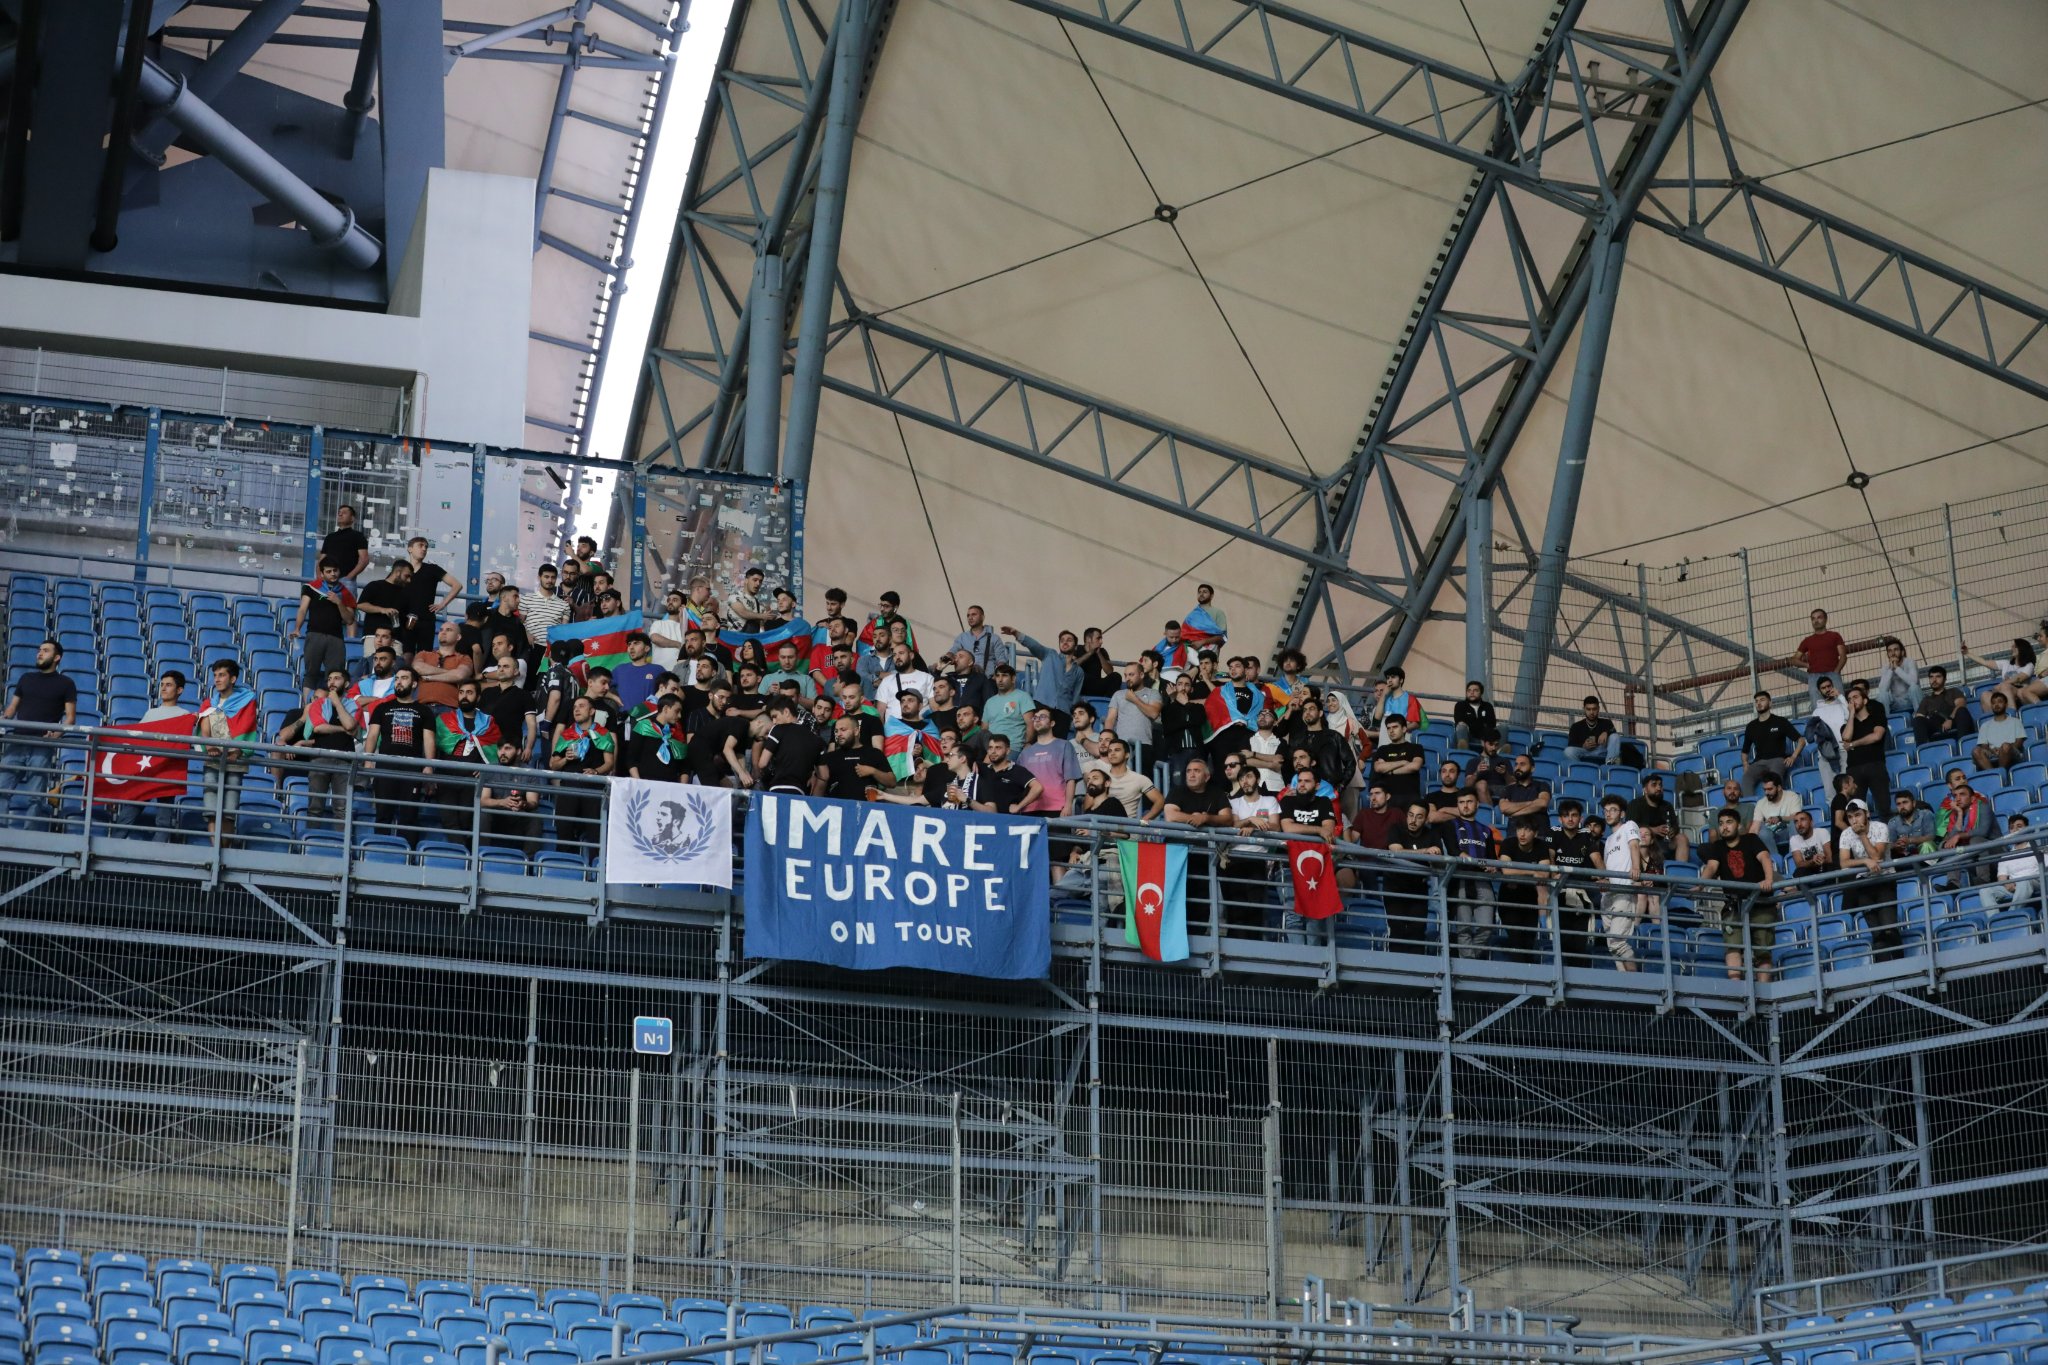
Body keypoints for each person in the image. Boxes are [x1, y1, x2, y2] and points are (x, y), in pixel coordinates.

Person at [0, 639, 78, 828]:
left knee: (35, 796)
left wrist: (57, 735)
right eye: (39, 650)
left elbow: (70, 718)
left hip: (42, 745)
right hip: (17, 740)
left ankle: (29, 834)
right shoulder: (26, 678)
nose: (39, 653)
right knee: (2, 788)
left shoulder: (66, 684)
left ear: (57, 657)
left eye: (45, 650)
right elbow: (11, 710)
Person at [1698, 807, 1777, 982]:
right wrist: (1700, 886)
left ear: (1738, 825)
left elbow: (1765, 858)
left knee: (1763, 950)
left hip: (1760, 902)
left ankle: (1764, 990)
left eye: (1729, 822)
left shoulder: (1751, 839)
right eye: (1721, 824)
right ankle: (1738, 991)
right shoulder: (1717, 847)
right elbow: (1711, 867)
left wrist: (1768, 880)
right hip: (1734, 905)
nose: (1724, 827)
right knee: (1732, 947)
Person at [279, 668, 359, 830]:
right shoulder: (318, 704)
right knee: (315, 807)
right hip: (320, 757)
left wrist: (337, 703)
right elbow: (318, 728)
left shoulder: (353, 705)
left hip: (345, 759)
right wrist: (344, 730)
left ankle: (339, 847)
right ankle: (311, 844)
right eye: (330, 679)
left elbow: (351, 724)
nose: (332, 682)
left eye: (337, 678)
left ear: (347, 683)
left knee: (342, 809)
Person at [363, 666, 436, 842]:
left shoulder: (424, 711)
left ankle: (407, 857)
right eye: (396, 678)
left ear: (414, 684)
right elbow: (372, 735)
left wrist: (429, 766)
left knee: (409, 816)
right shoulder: (382, 708)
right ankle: (380, 852)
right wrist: (368, 760)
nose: (399, 682)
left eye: (404, 678)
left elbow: (429, 740)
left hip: (412, 769)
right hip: (385, 767)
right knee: (383, 814)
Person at [548, 696, 616, 857]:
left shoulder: (603, 734)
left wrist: (596, 771)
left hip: (593, 789)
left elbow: (609, 763)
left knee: (595, 833)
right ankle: (563, 866)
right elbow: (553, 764)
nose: (576, 709)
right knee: (564, 829)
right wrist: (566, 759)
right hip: (569, 787)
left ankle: (594, 870)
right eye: (574, 707)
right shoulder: (567, 734)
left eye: (581, 706)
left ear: (592, 711)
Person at [1383, 800, 1451, 952]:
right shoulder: (1396, 829)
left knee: (1418, 930)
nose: (1413, 820)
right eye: (1411, 815)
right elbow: (1396, 852)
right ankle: (1396, 969)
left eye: (1419, 817)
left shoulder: (1432, 834)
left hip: (1418, 888)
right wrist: (1425, 851)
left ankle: (1418, 971)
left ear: (1426, 819)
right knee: (1397, 928)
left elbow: (1441, 866)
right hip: (1395, 887)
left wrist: (1437, 857)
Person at [1838, 800, 1900, 961]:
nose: (1854, 820)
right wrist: (1864, 862)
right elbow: (1844, 862)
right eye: (1850, 817)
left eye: (1857, 815)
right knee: (1878, 934)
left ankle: (1904, 968)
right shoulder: (1845, 834)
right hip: (1864, 883)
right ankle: (1886, 977)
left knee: (1889, 929)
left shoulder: (1880, 827)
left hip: (1885, 879)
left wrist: (1862, 835)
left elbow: (1877, 856)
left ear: (1867, 814)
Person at [293, 561, 358, 702]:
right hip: (314, 635)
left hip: (336, 639)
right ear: (322, 573)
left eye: (335, 570)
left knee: (335, 675)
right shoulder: (311, 587)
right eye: (328, 571)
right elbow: (303, 609)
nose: (333, 574)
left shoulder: (345, 593)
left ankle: (332, 706)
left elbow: (349, 620)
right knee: (311, 673)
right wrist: (297, 628)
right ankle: (308, 707)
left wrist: (339, 602)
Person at [1445, 788, 1497, 957]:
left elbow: (1492, 859)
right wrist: (1467, 858)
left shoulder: (1486, 830)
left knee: (1487, 927)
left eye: (1469, 802)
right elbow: (1454, 850)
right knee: (1463, 928)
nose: (1465, 806)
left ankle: (1469, 960)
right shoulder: (1450, 825)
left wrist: (1492, 866)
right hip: (1460, 880)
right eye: (1461, 802)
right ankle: (1469, 965)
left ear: (1477, 804)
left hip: (1483, 881)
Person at [1599, 794, 1646, 971]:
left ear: (1622, 813)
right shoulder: (1608, 840)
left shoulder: (1629, 826)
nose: (1609, 814)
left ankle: (1635, 980)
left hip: (1624, 890)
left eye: (1613, 810)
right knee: (1612, 944)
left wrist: (1636, 868)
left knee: (1618, 943)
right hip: (1607, 895)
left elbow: (1634, 846)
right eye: (1606, 811)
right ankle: (1624, 980)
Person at [1548, 799, 1601, 957]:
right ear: (1560, 819)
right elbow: (1550, 856)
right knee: (1562, 940)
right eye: (1566, 816)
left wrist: (1605, 876)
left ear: (1580, 818)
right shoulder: (1554, 832)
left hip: (1581, 892)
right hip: (1559, 892)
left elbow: (1597, 858)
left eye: (1574, 815)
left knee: (1579, 942)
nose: (1570, 819)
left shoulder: (1586, 835)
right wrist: (1552, 873)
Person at [1494, 820, 1551, 962]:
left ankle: (1528, 978)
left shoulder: (1542, 846)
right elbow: (1506, 871)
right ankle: (1518, 979)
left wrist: (1520, 872)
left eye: (1527, 830)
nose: (1522, 834)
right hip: (1509, 899)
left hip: (1530, 900)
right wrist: (1532, 871)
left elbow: (1544, 874)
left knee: (1528, 941)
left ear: (1536, 833)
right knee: (1516, 939)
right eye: (1519, 829)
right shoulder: (1508, 843)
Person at [399, 536, 463, 653]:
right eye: (420, 546)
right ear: (410, 549)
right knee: (406, 653)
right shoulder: (400, 570)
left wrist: (443, 604)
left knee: (424, 655)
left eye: (426, 547)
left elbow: (457, 585)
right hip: (406, 619)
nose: (424, 549)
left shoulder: (432, 569)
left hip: (426, 620)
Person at [1016, 707, 1081, 818]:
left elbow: (1070, 779)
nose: (1037, 720)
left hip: (1056, 807)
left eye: (1042, 717)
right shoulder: (1025, 753)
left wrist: (1068, 805)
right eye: (1035, 717)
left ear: (1052, 723)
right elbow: (1019, 783)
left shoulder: (1064, 745)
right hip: (1029, 808)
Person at [480, 742, 544, 853]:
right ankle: (481, 856)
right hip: (497, 817)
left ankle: (528, 864)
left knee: (536, 818)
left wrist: (523, 804)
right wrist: (502, 802)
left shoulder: (529, 772)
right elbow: (483, 800)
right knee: (483, 814)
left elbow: (533, 802)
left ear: (518, 751)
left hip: (518, 818)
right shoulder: (489, 769)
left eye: (507, 748)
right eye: (500, 749)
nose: (502, 753)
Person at [755, 696, 826, 795]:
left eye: (775, 716)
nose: (774, 722)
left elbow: (762, 763)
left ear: (786, 712)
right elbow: (824, 775)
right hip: (800, 793)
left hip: (778, 788)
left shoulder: (777, 729)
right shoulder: (817, 740)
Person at [1740, 691, 1805, 796]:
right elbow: (1744, 751)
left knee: (1774, 779)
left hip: (1777, 760)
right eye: (1756, 701)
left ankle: (1775, 804)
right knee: (1746, 778)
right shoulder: (1751, 726)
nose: (1759, 703)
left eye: (1762, 700)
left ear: (1770, 703)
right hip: (1759, 762)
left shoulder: (1780, 721)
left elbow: (1801, 740)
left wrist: (1793, 757)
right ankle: (1751, 807)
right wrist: (1745, 764)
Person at [1106, 663, 1163, 777]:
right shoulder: (1118, 694)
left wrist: (1135, 699)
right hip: (1121, 745)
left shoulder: (1153, 693)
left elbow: (1154, 713)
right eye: (1125, 675)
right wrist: (1108, 740)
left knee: (1143, 782)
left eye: (1131, 675)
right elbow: (1110, 719)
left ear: (1141, 674)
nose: (1127, 678)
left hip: (1144, 745)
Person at [1841, 679, 1891, 809]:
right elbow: (1846, 738)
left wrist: (1853, 744)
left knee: (1883, 805)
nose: (1853, 701)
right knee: (1856, 809)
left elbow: (1877, 736)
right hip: (1854, 770)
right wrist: (1851, 714)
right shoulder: (1846, 726)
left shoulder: (1876, 718)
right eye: (1850, 699)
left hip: (1876, 765)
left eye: (1856, 697)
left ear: (1865, 700)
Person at [627, 694, 691, 783]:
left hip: (670, 789)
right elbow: (632, 759)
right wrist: (639, 783)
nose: (680, 716)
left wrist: (682, 787)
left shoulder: (677, 733)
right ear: (665, 709)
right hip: (645, 785)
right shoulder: (644, 727)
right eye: (677, 711)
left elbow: (684, 766)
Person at [1098, 736, 1164, 820]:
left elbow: (1160, 801)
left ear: (1127, 755)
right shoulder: (1101, 777)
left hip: (1128, 829)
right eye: (1110, 751)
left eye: (1117, 750)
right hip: (1103, 827)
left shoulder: (1140, 779)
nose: (1112, 753)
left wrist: (1143, 821)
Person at [412, 622, 474, 710]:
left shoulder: (464, 658)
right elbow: (418, 668)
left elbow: (460, 675)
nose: (443, 632)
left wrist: (429, 678)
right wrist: (451, 673)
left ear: (458, 637)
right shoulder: (423, 654)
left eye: (448, 630)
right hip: (421, 707)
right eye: (441, 630)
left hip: (449, 708)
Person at [1807, 675, 1850, 799]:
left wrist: (1840, 696)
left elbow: (1849, 715)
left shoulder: (1842, 704)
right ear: (1819, 691)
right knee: (1830, 793)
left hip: (1844, 750)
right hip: (1826, 755)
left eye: (1829, 686)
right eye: (1823, 688)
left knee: (1848, 790)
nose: (1827, 689)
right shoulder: (1816, 712)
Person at [1985, 815, 2041, 910]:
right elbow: (2002, 877)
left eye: (2019, 826)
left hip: (2037, 882)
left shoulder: (2038, 849)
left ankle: (2013, 914)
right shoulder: (2006, 856)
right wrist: (2007, 884)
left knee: (2024, 881)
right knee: (1985, 891)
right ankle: (1995, 921)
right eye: (2011, 828)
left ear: (2026, 829)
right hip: (2014, 886)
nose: (2015, 830)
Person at [1795, 608, 1848, 706]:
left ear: (1826, 619)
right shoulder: (1807, 640)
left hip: (1833, 674)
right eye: (1813, 618)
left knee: (1840, 704)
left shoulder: (1835, 636)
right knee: (1818, 706)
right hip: (1814, 676)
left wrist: (1836, 672)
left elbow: (1843, 657)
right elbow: (1795, 660)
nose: (1816, 620)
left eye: (1819, 617)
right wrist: (1807, 665)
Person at [1970, 638, 2040, 712]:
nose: (2012, 647)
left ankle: (2012, 714)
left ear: (2022, 649)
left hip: (2020, 694)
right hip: (2003, 693)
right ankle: (1994, 720)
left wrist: (2001, 685)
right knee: (1985, 695)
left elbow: (2020, 678)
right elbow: (1985, 662)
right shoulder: (2006, 664)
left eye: (2015, 646)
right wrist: (1967, 653)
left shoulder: (2029, 665)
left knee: (2005, 686)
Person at [1371, 713, 1425, 803]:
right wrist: (1403, 762)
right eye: (1388, 728)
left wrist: (1389, 771)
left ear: (1404, 729)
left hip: (1410, 798)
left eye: (1395, 727)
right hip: (1387, 799)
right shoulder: (1382, 749)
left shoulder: (1416, 747)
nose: (1391, 731)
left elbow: (1415, 766)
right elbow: (1378, 768)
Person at [1973, 689, 2028, 770]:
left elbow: (2019, 743)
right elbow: (1984, 746)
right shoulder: (1985, 726)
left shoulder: (2015, 721)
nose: (1996, 705)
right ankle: (1993, 775)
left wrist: (2003, 749)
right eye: (1993, 703)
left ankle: (2001, 772)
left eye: (1999, 702)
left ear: (2006, 704)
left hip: (2012, 751)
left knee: (2005, 746)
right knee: (1976, 751)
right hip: (1992, 753)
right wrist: (1991, 750)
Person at [1497, 754, 1552, 832]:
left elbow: (1542, 803)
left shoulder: (1542, 785)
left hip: (1539, 835)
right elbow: (1504, 808)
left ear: (1532, 768)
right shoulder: (1508, 789)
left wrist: (1515, 813)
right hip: (1514, 835)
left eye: (1522, 764)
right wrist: (1533, 803)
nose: (1518, 767)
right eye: (1516, 764)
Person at [319, 503, 371, 584]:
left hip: (346, 582)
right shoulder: (330, 537)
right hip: (327, 581)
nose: (340, 514)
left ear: (352, 518)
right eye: (339, 512)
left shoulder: (358, 536)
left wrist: (348, 578)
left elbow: (364, 560)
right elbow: (321, 561)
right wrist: (320, 579)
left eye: (344, 512)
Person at [1564, 696, 1622, 767]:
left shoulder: (1606, 723)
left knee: (1614, 736)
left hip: (1602, 751)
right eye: (1588, 709)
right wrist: (1583, 745)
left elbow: (1614, 734)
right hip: (1585, 751)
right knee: (1568, 751)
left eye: (1594, 709)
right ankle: (1580, 769)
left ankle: (1610, 768)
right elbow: (1571, 744)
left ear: (1598, 709)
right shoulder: (1576, 726)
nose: (1591, 712)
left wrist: (1606, 732)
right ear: (1584, 709)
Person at [1750, 774, 1801, 855]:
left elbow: (1797, 817)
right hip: (1772, 835)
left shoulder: (1792, 796)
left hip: (1789, 831)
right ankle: (1775, 860)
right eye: (1764, 789)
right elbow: (1754, 828)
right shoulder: (1760, 803)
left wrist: (1780, 818)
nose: (1766, 792)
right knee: (1762, 830)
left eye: (1770, 789)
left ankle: (1794, 857)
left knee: (1794, 823)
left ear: (1779, 788)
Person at [951, 605, 1011, 673]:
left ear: (982, 617)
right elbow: (953, 651)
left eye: (974, 614)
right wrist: (948, 655)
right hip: (967, 679)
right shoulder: (962, 637)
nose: (970, 617)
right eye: (968, 615)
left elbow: (1001, 660)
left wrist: (997, 676)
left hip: (987, 679)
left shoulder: (994, 638)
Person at [1911, 666, 1963, 744]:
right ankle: (1924, 751)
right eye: (1931, 677)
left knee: (1962, 712)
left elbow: (1961, 705)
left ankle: (1965, 744)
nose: (1934, 680)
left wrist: (1950, 719)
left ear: (1945, 679)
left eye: (1938, 676)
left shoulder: (1953, 691)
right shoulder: (1926, 700)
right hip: (1935, 723)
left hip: (1953, 720)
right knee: (1917, 721)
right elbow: (1919, 716)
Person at [1874, 637, 1921, 716]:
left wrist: (1897, 668)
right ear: (1888, 654)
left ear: (1902, 652)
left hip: (1911, 699)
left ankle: (1919, 716)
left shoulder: (1910, 662)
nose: (1893, 653)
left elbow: (1914, 682)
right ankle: (1886, 722)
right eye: (1890, 651)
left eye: (1896, 650)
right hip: (1896, 702)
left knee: (1914, 688)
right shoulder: (1886, 667)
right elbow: (1882, 689)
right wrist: (1891, 670)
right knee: (1882, 695)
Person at [1787, 809, 1833, 877]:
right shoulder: (1794, 839)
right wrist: (1812, 861)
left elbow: (1829, 858)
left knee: (1833, 866)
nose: (1799, 824)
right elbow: (1799, 864)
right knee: (1798, 873)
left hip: (1824, 865)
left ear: (1811, 823)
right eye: (1796, 822)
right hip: (1808, 870)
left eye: (1802, 819)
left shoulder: (1822, 832)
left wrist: (1821, 860)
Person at [1891, 791, 1937, 857]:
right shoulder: (1893, 822)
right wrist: (1897, 845)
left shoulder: (1926, 814)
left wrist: (1910, 840)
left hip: (1925, 853)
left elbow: (1931, 837)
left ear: (1914, 803)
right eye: (1898, 804)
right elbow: (1890, 844)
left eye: (1905, 802)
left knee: (1927, 845)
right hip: (1905, 856)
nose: (1902, 806)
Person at [1424, 761, 1465, 826]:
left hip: (1461, 834)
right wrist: (1461, 815)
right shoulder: (1431, 796)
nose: (1447, 775)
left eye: (1451, 771)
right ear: (1440, 774)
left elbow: (1470, 812)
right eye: (1444, 771)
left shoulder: (1465, 795)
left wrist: (1444, 809)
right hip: (1438, 835)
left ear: (1458, 774)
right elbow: (1432, 818)